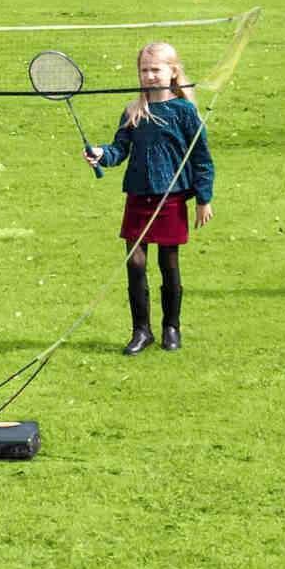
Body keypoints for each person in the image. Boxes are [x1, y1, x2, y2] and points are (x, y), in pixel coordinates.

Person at [88, 40, 214, 353]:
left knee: (169, 262)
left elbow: (201, 158)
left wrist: (203, 198)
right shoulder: (133, 111)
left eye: (155, 70)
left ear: (173, 72)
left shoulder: (184, 112)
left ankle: (171, 327)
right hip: (138, 196)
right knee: (135, 263)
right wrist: (103, 154)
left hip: (169, 198)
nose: (150, 75)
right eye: (144, 70)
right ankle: (141, 331)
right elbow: (120, 150)